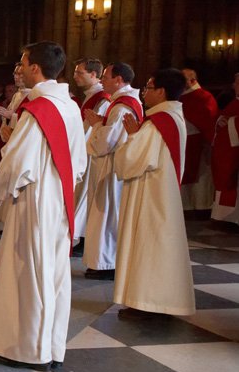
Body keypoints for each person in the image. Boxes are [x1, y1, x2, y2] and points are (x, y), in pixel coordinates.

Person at [0, 41, 87, 371]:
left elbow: (16, 162)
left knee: (28, 270)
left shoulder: (39, 111)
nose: (19, 69)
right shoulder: (69, 107)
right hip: (59, 198)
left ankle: (29, 349)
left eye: (22, 63)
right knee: (50, 270)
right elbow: (79, 161)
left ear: (36, 67)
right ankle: (49, 345)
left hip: (34, 199)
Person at [113, 69, 195, 319]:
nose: (144, 92)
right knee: (158, 245)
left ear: (161, 91)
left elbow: (130, 162)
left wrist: (132, 137)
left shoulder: (157, 123)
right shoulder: (173, 116)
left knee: (148, 245)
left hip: (150, 195)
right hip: (161, 194)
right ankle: (155, 301)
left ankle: (148, 303)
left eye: (148, 87)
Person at [82, 62, 142, 280]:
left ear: (119, 80)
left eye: (106, 77)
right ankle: (101, 261)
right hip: (110, 165)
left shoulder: (122, 107)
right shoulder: (120, 104)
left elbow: (105, 143)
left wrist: (97, 125)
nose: (102, 80)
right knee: (104, 214)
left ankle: (107, 263)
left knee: (107, 215)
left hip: (113, 167)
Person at [70, 58, 109, 255]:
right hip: (84, 153)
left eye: (80, 73)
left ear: (94, 75)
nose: (75, 76)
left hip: (91, 155)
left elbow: (94, 130)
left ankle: (82, 238)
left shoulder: (102, 99)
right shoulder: (90, 96)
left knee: (87, 197)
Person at [178, 67, 219, 213]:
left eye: (182, 79)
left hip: (200, 143)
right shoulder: (181, 96)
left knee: (200, 177)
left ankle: (201, 207)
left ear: (192, 80)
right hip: (184, 142)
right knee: (185, 175)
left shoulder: (204, 97)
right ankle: (186, 207)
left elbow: (208, 120)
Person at [211, 72, 239, 227]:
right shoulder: (234, 102)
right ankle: (226, 218)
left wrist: (230, 122)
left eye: (236, 83)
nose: (234, 86)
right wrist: (222, 121)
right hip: (227, 151)